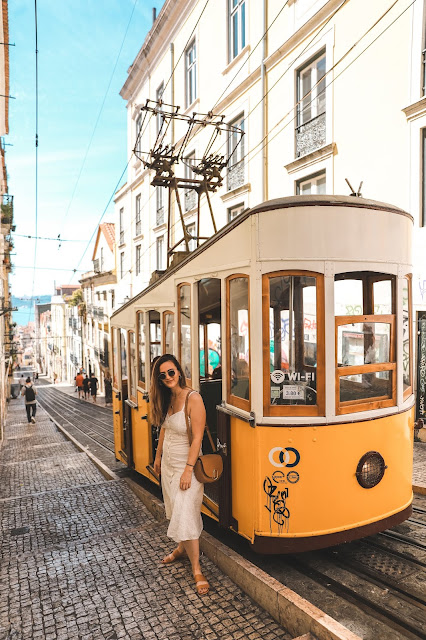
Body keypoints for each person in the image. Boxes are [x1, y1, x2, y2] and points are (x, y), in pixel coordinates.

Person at [151, 353, 209, 596]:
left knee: (186, 512)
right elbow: (164, 429)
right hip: (169, 466)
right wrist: (157, 457)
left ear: (179, 371)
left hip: (188, 466)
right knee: (176, 509)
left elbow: (197, 437)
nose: (168, 378)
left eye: (171, 372)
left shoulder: (193, 398)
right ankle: (181, 549)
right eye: (162, 375)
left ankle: (196, 568)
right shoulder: (166, 398)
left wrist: (188, 469)